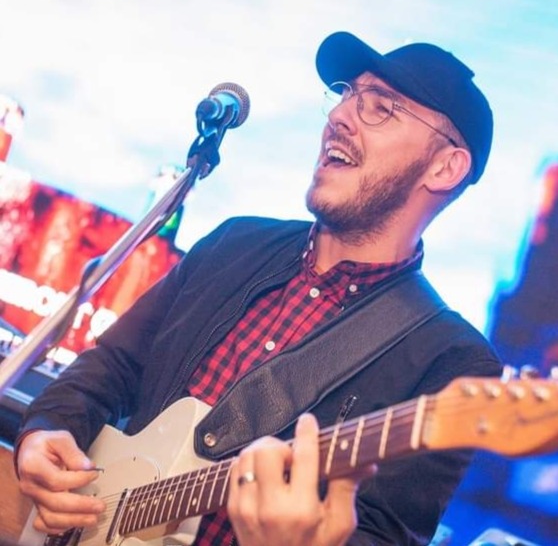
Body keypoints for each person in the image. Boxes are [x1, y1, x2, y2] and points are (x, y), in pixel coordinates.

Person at [15, 31, 502, 546]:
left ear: (445, 167)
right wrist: (46, 428)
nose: (340, 116)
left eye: (380, 107)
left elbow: (385, 536)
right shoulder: (235, 242)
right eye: (345, 95)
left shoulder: (453, 362)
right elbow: (113, 366)